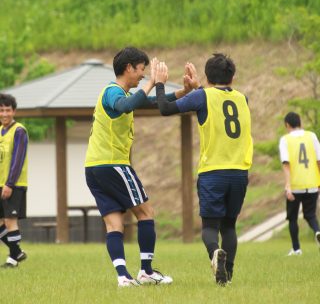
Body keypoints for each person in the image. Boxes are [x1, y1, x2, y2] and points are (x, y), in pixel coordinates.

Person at [85, 47, 189, 287]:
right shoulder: (113, 91)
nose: (143, 74)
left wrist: (184, 91)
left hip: (94, 167)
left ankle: (123, 277)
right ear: (129, 68)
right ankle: (146, 271)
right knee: (146, 213)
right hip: (112, 164)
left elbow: (148, 102)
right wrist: (153, 81)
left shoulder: (123, 94)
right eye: (142, 70)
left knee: (114, 224)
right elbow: (126, 106)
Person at [154, 54, 253, 286]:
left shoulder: (202, 96)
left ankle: (214, 254)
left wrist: (159, 83)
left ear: (207, 77)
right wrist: (201, 87)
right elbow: (217, 100)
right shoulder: (243, 98)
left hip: (213, 173)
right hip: (239, 172)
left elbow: (165, 108)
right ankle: (226, 278)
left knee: (210, 227)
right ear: (233, 77)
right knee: (229, 226)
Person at [279, 112, 320, 256]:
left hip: (296, 185)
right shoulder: (312, 136)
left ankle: (296, 249)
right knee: (310, 215)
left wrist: (288, 186)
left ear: (287, 125)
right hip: (312, 183)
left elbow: (286, 164)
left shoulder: (285, 140)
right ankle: (317, 231)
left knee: (292, 218)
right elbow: (318, 160)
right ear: (300, 123)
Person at [0, 93, 28, 268]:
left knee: (10, 221)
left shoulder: (19, 131)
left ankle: (13, 259)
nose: (4, 113)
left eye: (7, 110)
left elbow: (17, 159)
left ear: (14, 111)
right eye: (1, 110)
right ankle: (16, 252)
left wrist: (10, 184)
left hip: (14, 185)